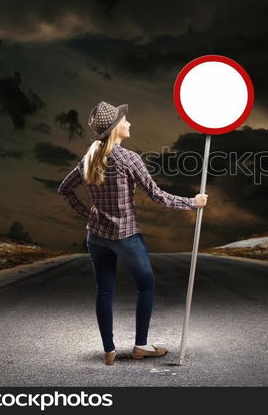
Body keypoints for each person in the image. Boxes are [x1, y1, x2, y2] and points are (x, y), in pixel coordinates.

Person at [57, 101, 208, 366]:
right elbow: (158, 197)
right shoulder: (128, 159)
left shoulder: (89, 157)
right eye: (125, 120)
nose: (129, 123)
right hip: (126, 236)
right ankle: (141, 346)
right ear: (116, 128)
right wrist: (193, 203)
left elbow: (64, 189)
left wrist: (87, 212)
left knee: (104, 291)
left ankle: (109, 352)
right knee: (146, 284)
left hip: (97, 236)